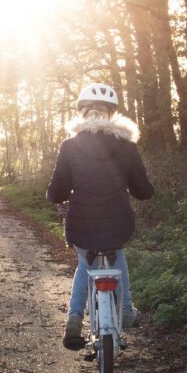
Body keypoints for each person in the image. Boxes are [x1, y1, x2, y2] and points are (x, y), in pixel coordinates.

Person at [46, 83, 155, 350]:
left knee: (85, 261)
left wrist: (58, 196)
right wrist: (132, 187)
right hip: (118, 220)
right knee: (117, 251)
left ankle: (74, 318)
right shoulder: (127, 145)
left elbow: (56, 190)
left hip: (81, 221)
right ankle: (126, 309)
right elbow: (144, 191)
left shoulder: (70, 145)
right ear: (112, 114)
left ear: (83, 113)